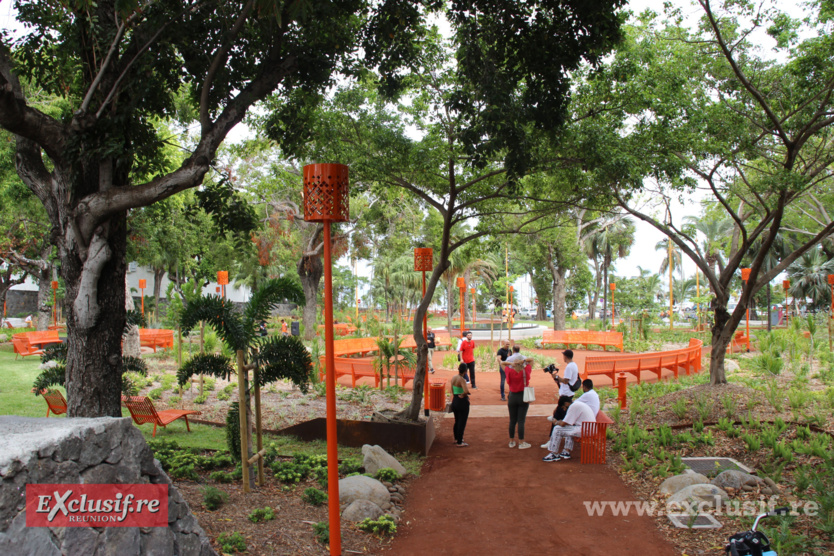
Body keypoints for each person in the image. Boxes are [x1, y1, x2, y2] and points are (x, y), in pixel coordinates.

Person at [542, 395, 596, 461]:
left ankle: (554, 453)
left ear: (566, 404)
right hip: (589, 428)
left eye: (563, 407)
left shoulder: (573, 407)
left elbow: (563, 424)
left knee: (557, 429)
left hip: (585, 429)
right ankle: (566, 451)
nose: (564, 410)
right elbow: (569, 423)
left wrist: (555, 422)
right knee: (568, 428)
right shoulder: (577, 404)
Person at [505, 357, 533, 449]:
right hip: (523, 396)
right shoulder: (526, 370)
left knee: (512, 420)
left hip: (512, 396)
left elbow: (502, 363)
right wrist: (523, 361)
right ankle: (521, 442)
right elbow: (531, 360)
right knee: (521, 421)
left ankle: (511, 441)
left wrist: (511, 364)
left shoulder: (509, 371)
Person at [554, 349, 579, 421]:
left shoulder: (569, 367)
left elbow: (565, 381)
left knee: (559, 414)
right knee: (564, 413)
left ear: (565, 356)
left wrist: (557, 378)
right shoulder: (574, 365)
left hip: (566, 393)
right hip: (570, 392)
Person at [450, 363, 471, 447]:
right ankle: (460, 441)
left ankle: (456, 438)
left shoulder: (454, 377)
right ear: (465, 371)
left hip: (455, 400)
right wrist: (463, 395)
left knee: (457, 420)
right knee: (462, 422)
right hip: (462, 402)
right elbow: (466, 391)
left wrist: (456, 396)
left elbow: (452, 389)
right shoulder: (461, 379)